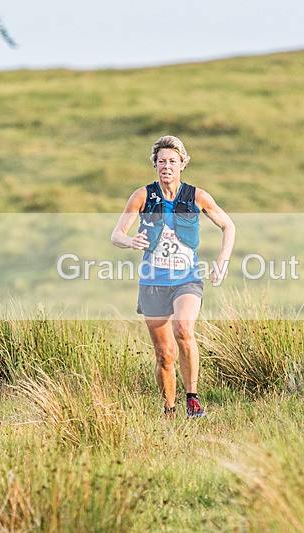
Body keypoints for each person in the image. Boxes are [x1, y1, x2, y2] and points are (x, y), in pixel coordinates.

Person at [112, 135, 235, 419]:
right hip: (153, 282)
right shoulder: (142, 196)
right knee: (165, 354)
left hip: (186, 279)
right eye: (161, 162)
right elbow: (116, 234)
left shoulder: (197, 197)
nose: (166, 166)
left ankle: (193, 400)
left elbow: (228, 226)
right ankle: (169, 410)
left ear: (182, 165)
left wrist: (222, 261)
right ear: (155, 166)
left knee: (183, 330)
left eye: (172, 161)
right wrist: (130, 242)